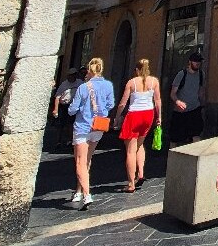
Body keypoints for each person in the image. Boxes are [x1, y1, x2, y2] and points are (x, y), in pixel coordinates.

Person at [67, 57, 114, 210]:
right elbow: (110, 104)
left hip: (83, 126)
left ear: (89, 70)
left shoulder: (83, 87)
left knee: (80, 162)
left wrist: (69, 106)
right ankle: (78, 191)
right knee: (87, 159)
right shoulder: (108, 85)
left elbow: (73, 109)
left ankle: (87, 194)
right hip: (98, 127)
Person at [113, 58, 161, 193]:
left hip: (134, 115)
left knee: (130, 150)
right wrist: (159, 117)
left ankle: (130, 183)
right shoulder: (154, 81)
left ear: (137, 69)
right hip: (148, 114)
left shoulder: (132, 82)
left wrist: (117, 117)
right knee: (140, 145)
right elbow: (157, 101)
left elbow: (123, 102)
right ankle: (140, 173)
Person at [170, 51, 205, 145]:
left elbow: (200, 91)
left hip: (195, 109)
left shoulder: (201, 74)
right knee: (175, 138)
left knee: (196, 135)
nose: (197, 63)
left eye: (199, 61)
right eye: (195, 61)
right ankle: (172, 158)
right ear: (190, 62)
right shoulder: (182, 74)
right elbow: (173, 93)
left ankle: (196, 158)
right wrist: (178, 102)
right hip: (181, 112)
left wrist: (202, 105)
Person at [51, 68, 82, 149]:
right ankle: (58, 141)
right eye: (71, 75)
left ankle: (70, 140)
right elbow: (57, 97)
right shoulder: (64, 84)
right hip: (64, 105)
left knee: (71, 124)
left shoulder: (80, 83)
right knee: (60, 124)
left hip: (74, 105)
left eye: (74, 74)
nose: (72, 76)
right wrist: (56, 109)